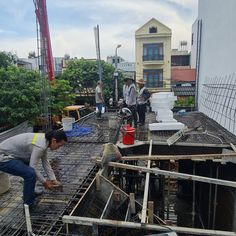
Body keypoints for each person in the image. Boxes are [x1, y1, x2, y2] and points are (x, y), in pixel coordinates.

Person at [0, 130, 67, 208]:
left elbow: (45, 162)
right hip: (3, 158)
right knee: (30, 174)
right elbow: (33, 167)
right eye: (59, 146)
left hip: (15, 155)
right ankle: (28, 204)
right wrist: (44, 182)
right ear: (54, 141)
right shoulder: (40, 145)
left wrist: (53, 179)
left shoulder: (45, 140)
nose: (58, 148)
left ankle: (31, 190)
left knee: (30, 167)